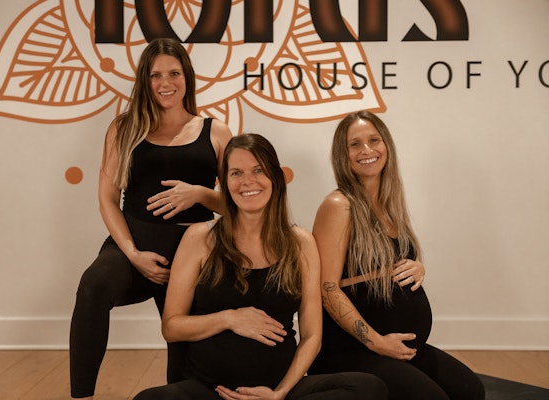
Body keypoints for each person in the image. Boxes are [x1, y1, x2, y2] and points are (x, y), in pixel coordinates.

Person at [133, 133, 388, 400]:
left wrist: (280, 392)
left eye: (258, 170)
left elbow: (312, 335)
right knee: (148, 399)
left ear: (275, 178)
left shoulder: (301, 243)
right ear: (225, 182)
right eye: (236, 173)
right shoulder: (200, 238)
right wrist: (229, 318)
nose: (247, 182)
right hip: (210, 391)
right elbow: (171, 327)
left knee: (368, 388)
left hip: (278, 391)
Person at [69, 38, 233, 399]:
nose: (165, 83)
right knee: (93, 285)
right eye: (155, 75)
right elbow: (108, 199)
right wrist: (132, 254)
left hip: (193, 256)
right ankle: (81, 395)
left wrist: (199, 193)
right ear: (145, 79)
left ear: (187, 77)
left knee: (182, 365)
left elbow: (236, 203)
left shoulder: (216, 131)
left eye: (174, 73)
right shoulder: (123, 128)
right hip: (136, 246)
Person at [308, 111, 485, 400]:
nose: (367, 150)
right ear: (343, 154)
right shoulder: (339, 205)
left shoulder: (389, 203)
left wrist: (417, 268)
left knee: (470, 391)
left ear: (386, 145)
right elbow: (327, 289)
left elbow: (385, 261)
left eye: (373, 140)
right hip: (353, 349)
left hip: (399, 347)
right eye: (355, 144)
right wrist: (376, 341)